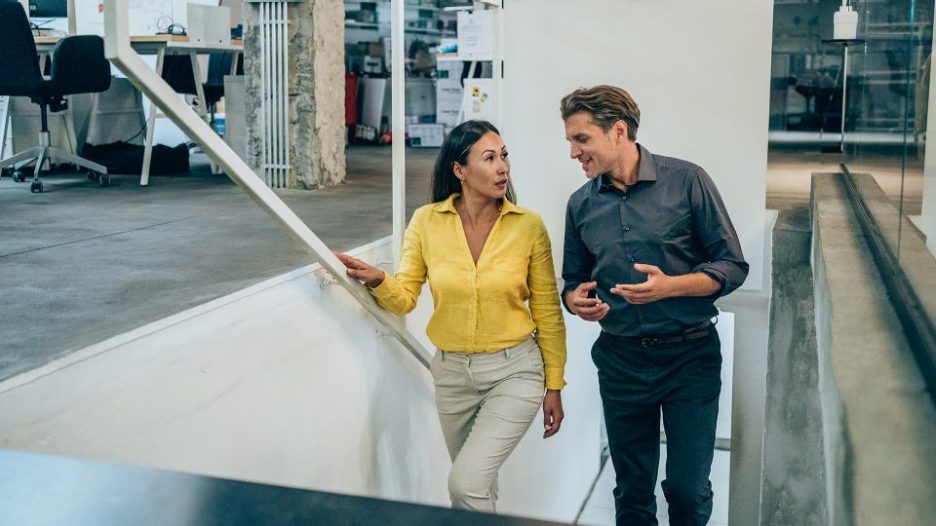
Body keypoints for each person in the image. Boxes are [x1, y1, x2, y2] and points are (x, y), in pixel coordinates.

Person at [336, 120, 567, 513]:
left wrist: (555, 384)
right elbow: (406, 297)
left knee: (465, 484)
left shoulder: (528, 226)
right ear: (459, 170)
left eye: (504, 156)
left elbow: (547, 309)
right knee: (478, 489)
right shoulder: (427, 221)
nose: (502, 167)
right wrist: (378, 280)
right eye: (489, 158)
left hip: (515, 371)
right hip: (452, 376)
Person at [559, 85, 749, 525]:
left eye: (581, 139)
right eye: (570, 141)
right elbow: (573, 282)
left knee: (687, 490)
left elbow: (733, 266)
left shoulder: (687, 180)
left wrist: (673, 287)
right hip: (620, 360)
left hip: (690, 359)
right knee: (631, 492)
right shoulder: (580, 204)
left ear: (618, 131)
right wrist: (576, 301)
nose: (573, 152)